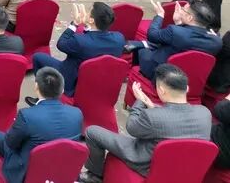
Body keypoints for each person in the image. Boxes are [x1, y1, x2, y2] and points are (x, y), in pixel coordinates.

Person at [80, 63, 213, 182]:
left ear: (161, 90)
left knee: (92, 132)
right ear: (187, 88)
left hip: (146, 163)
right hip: (183, 166)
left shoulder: (153, 117)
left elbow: (131, 127)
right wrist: (152, 107)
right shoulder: (204, 113)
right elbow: (176, 118)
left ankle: (95, 176)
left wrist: (140, 101)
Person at [0, 67, 83, 183]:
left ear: (36, 87)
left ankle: (4, 168)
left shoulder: (27, 115)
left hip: (28, 172)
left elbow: (10, 143)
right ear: (62, 90)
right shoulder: (77, 113)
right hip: (62, 168)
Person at [31, 3, 126, 98]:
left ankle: (43, 95)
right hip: (99, 81)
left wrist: (75, 23)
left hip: (72, 82)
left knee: (37, 57)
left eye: (88, 12)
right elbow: (94, 38)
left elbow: (61, 44)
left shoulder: (80, 41)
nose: (86, 13)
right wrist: (87, 25)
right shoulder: (119, 38)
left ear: (92, 20)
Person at [133, 0, 221, 81]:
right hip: (189, 76)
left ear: (190, 18)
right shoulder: (216, 41)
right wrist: (178, 23)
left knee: (141, 50)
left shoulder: (174, 31)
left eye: (183, 9)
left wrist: (159, 15)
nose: (180, 10)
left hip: (162, 74)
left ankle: (136, 76)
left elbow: (152, 35)